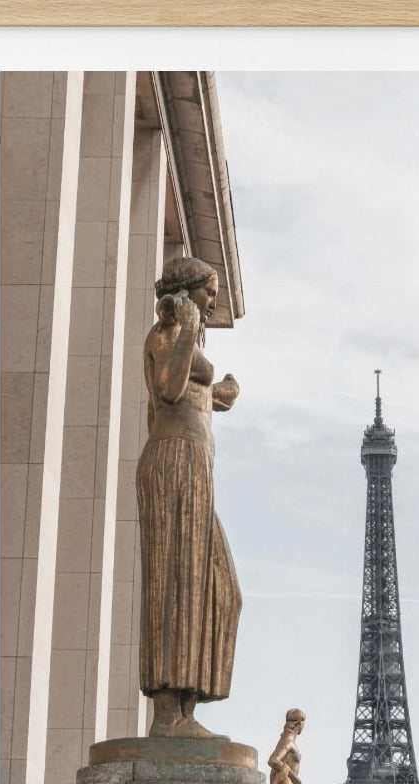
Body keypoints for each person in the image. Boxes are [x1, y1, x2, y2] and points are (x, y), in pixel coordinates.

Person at [137, 256, 241, 738]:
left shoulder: (186, 337)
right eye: (209, 290)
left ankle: (187, 707)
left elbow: (195, 396)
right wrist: (187, 331)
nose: (214, 298)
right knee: (176, 583)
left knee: (218, 590)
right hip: (173, 461)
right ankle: (168, 715)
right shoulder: (166, 334)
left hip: (196, 465)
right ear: (187, 290)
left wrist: (220, 393)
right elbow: (169, 388)